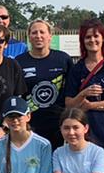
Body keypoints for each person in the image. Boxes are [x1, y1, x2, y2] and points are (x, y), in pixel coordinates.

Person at [62, 18, 104, 159]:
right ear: (82, 41)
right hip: (84, 132)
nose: (92, 40)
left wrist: (92, 105)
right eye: (88, 37)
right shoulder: (77, 69)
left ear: (103, 39)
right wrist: (84, 93)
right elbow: (69, 104)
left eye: (96, 36)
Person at [16, 18, 71, 147]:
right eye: (34, 33)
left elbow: (71, 91)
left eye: (42, 32)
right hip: (31, 125)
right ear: (29, 36)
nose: (38, 36)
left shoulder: (63, 59)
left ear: (50, 36)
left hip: (58, 124)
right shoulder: (19, 62)